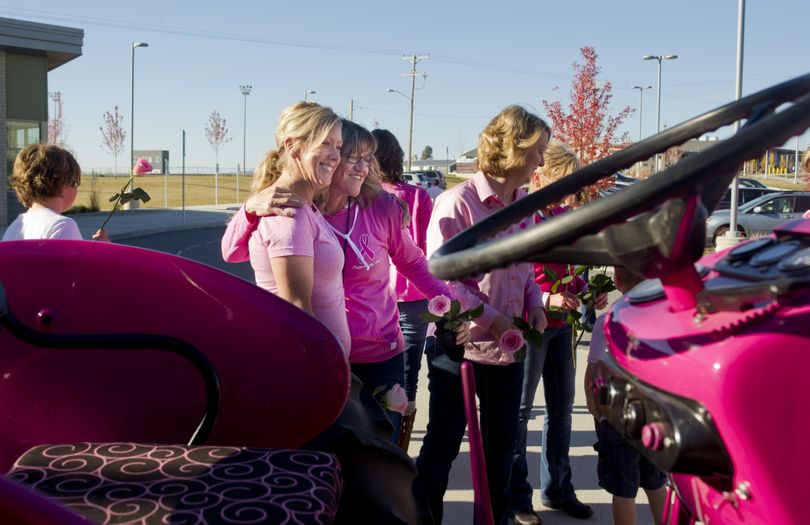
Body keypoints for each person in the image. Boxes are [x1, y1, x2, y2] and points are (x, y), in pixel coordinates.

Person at [222, 118, 468, 444]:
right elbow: (233, 252)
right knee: (331, 456)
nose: (364, 168)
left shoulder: (382, 208)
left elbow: (414, 264)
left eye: (369, 159)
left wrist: (453, 310)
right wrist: (250, 210)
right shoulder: (299, 208)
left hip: (381, 355)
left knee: (382, 450)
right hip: (324, 356)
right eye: (355, 157)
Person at [416, 105, 550, 525]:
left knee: (501, 448)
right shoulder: (457, 204)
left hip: (507, 349)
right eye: (537, 151)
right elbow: (443, 280)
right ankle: (424, 518)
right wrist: (493, 320)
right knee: (443, 444)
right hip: (460, 349)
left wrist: (535, 305)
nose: (542, 162)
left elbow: (526, 268)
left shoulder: (524, 205)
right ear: (513, 149)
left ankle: (494, 519)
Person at [509, 142, 608, 524]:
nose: (568, 192)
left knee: (561, 411)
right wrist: (547, 298)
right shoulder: (523, 217)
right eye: (562, 182)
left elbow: (575, 269)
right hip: (530, 324)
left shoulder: (566, 215)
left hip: (562, 328)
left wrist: (589, 292)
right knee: (521, 412)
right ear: (539, 176)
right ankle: (518, 497)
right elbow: (515, 274)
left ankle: (558, 488)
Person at [241, 101, 350, 355]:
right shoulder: (289, 215)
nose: (335, 155)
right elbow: (298, 312)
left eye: (338, 146)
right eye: (325, 143)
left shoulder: (307, 207)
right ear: (292, 147)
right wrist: (326, 377)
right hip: (310, 370)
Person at [585, 266, 667, 525]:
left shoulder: (607, 319)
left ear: (617, 280)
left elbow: (593, 374)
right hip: (654, 415)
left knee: (624, 489)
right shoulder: (662, 316)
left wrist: (594, 409)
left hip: (617, 416)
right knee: (655, 482)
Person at [373, 128, 433, 451]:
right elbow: (424, 249)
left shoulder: (363, 196)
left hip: (381, 299)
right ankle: (400, 448)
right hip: (412, 298)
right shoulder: (417, 196)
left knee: (377, 380)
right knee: (407, 379)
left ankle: (386, 444)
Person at [3, 144, 109, 242]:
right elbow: (75, 262)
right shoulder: (62, 226)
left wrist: (95, 248)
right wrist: (103, 252)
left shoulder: (15, 227)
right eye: (75, 183)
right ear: (62, 184)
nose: (76, 189)